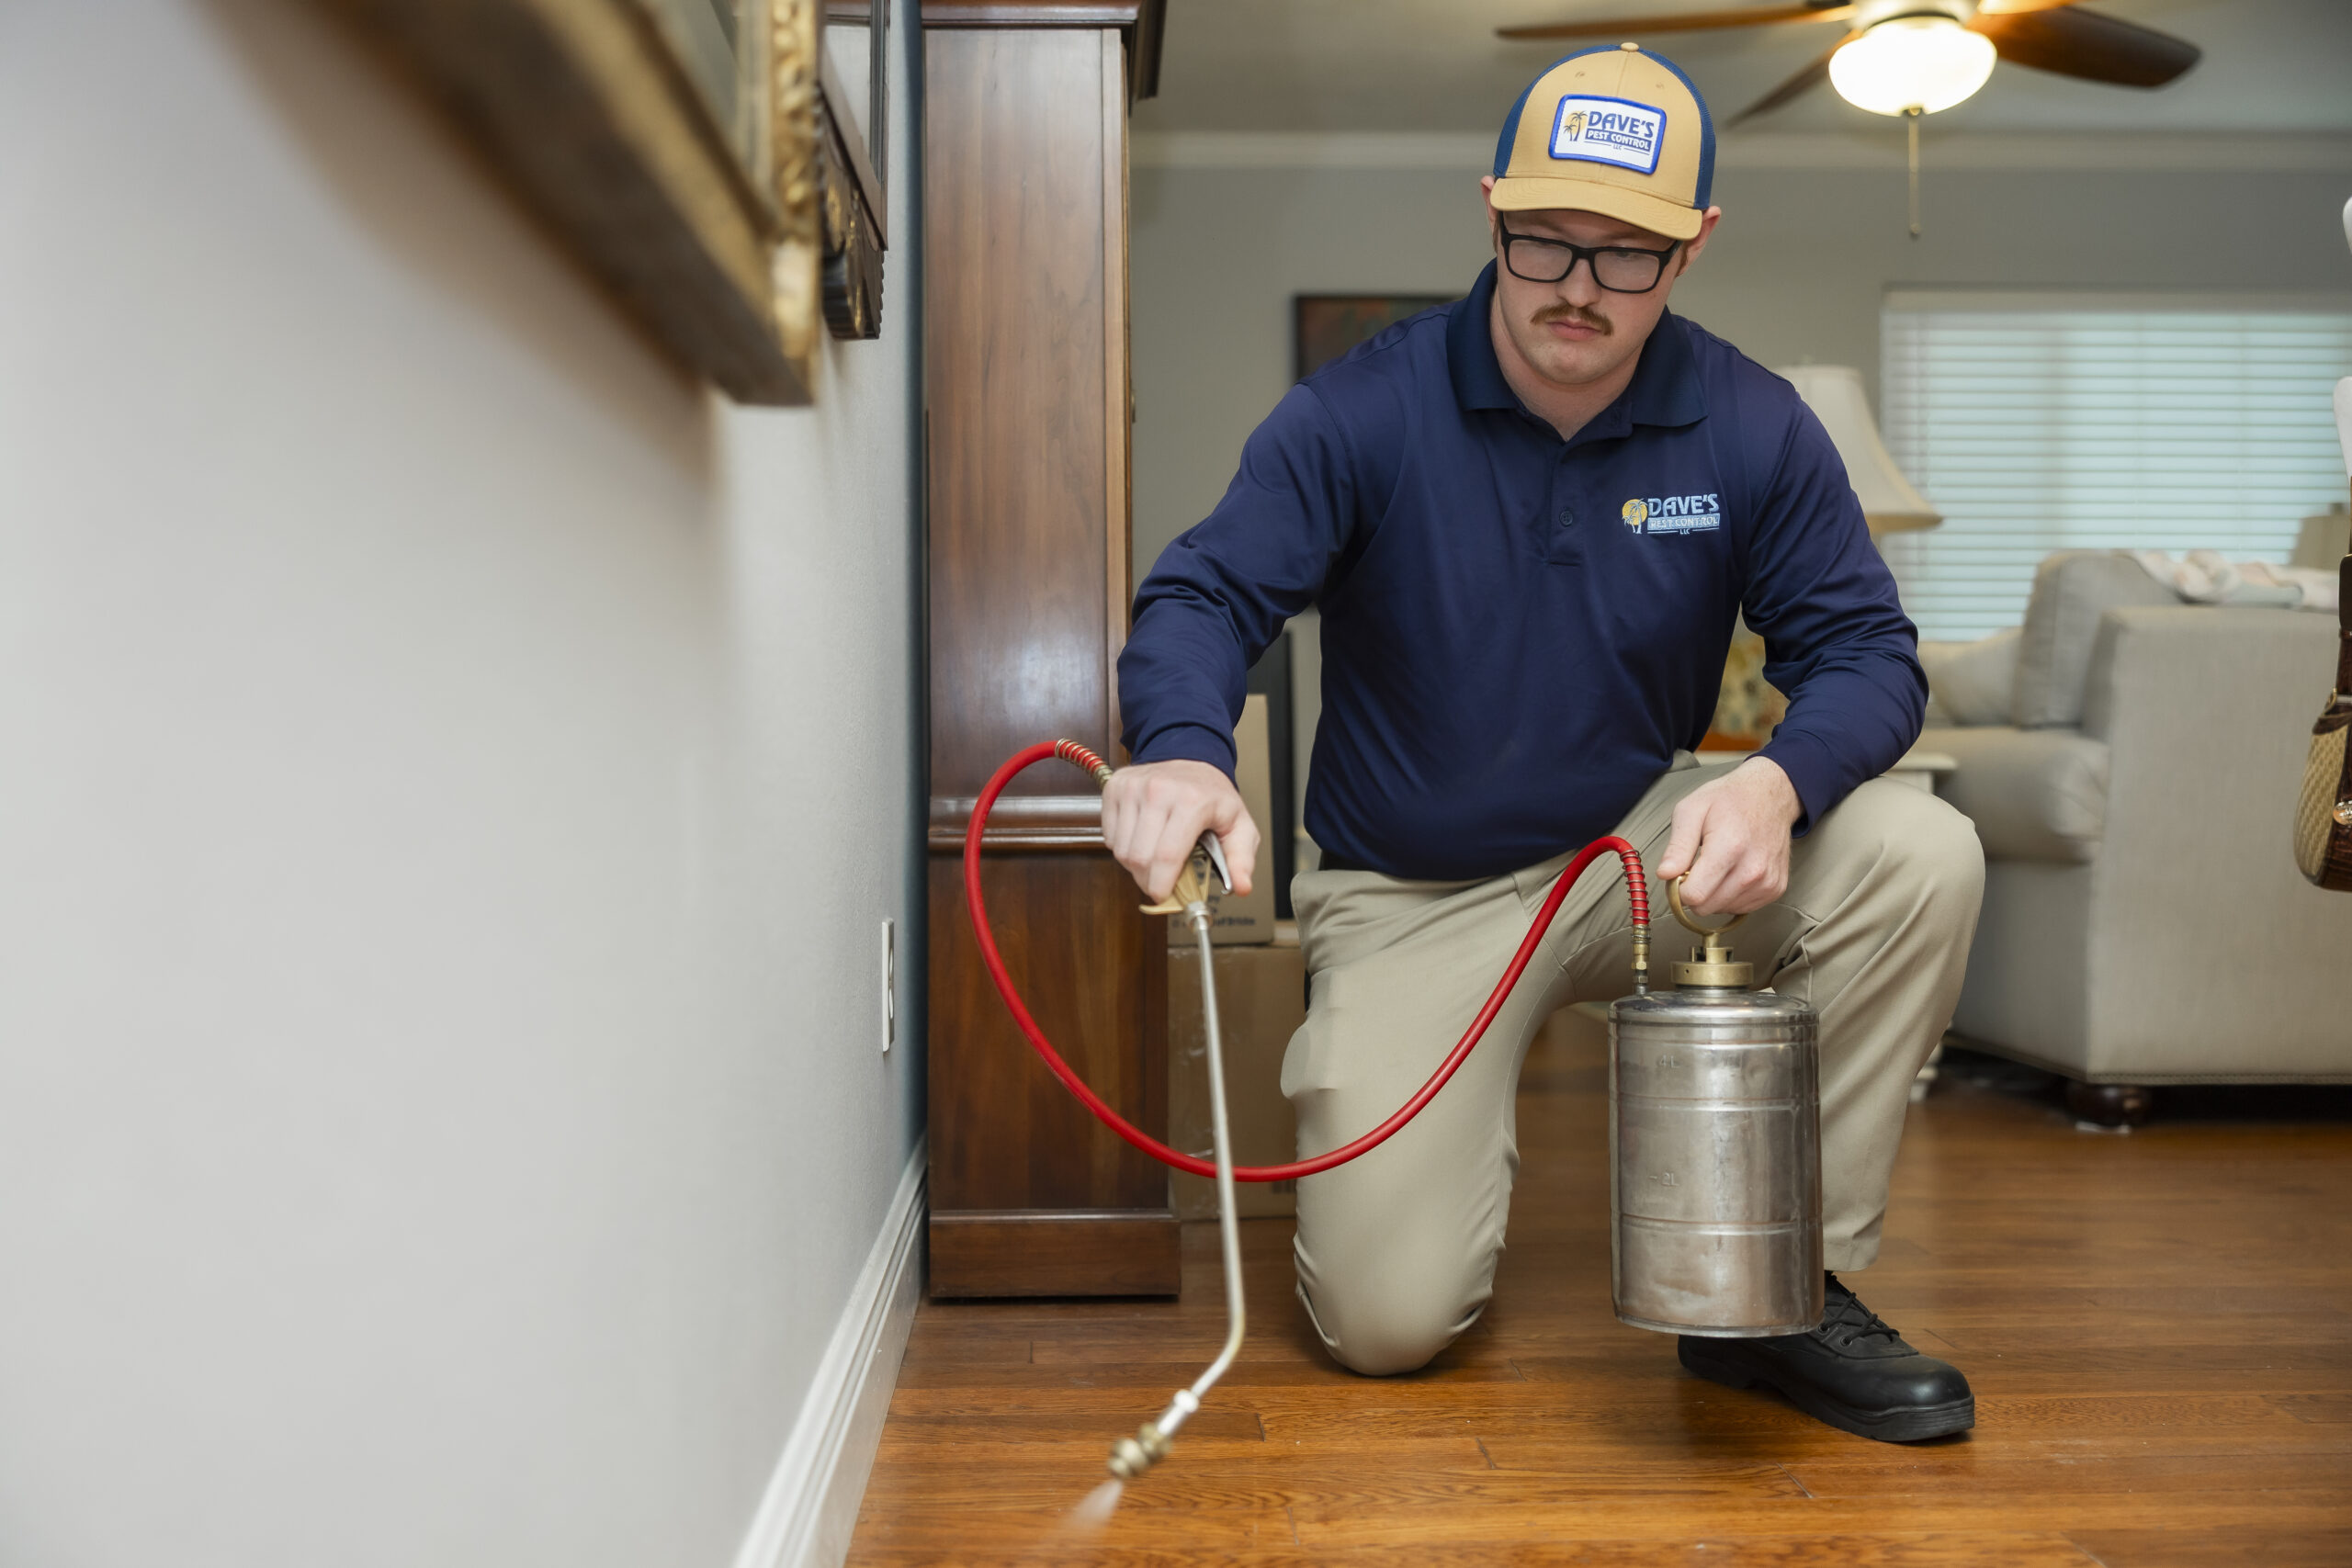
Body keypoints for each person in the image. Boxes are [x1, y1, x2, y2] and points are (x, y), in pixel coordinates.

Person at [1103, 42, 1986, 1444]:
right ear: (1491, 217)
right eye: (1546, 241)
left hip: (1635, 860)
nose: (1579, 284)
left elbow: (1869, 654)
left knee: (1921, 850)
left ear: (1691, 251)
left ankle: (1768, 1293)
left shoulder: (1753, 425)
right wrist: (1183, 746)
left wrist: (1774, 778)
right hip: (1411, 898)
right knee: (1386, 1329)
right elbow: (1204, 592)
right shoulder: (1362, 410)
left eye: (1626, 253)